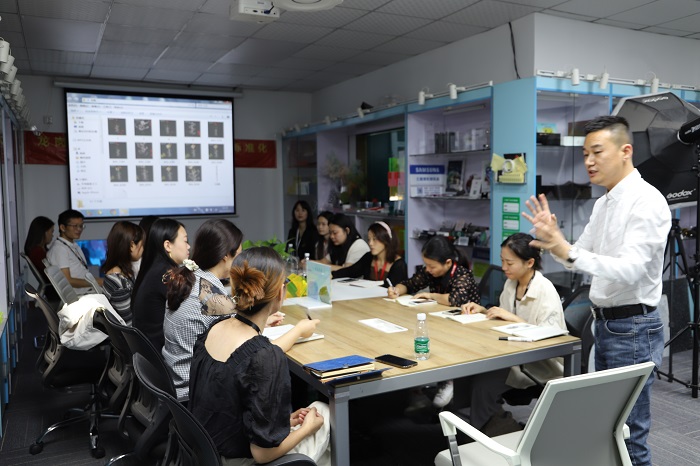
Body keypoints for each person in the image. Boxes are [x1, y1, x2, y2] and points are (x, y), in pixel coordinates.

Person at [523, 115, 670, 466]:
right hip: (605, 325)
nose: (589, 161)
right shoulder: (604, 203)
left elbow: (631, 269)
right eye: (585, 153)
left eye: (597, 152)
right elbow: (578, 257)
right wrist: (555, 240)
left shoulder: (647, 201)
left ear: (625, 151)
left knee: (629, 434)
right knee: (606, 430)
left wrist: (566, 249)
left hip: (633, 329)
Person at [188, 247, 329, 466]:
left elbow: (227, 402)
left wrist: (282, 422)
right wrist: (307, 429)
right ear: (280, 293)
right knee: (324, 413)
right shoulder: (264, 357)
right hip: (238, 461)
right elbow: (263, 455)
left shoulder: (214, 328)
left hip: (203, 453)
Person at [163, 219, 284, 398]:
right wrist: (299, 330)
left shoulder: (191, 278)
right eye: (239, 257)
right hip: (193, 393)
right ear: (226, 256)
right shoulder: (211, 297)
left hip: (174, 382)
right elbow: (252, 351)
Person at [461, 233, 566, 433]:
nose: (503, 267)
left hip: (538, 364)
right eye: (502, 261)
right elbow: (504, 317)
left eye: (509, 263)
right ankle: (490, 426)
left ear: (530, 263)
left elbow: (552, 339)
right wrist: (483, 310)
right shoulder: (511, 283)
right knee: (473, 374)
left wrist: (513, 318)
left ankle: (492, 433)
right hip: (512, 354)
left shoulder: (545, 290)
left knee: (483, 384)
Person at [387, 235, 479, 408]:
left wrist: (430, 295)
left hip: (466, 327)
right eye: (426, 265)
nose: (428, 270)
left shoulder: (462, 274)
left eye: (432, 266)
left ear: (448, 263)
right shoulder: (430, 272)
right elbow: (410, 283)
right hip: (442, 321)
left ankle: (451, 379)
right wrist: (397, 290)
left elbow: (455, 299)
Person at [131, 218, 190, 351]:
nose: (188, 246)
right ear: (168, 245)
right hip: (162, 352)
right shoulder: (166, 275)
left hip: (148, 350)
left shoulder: (155, 269)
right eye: (185, 241)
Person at [332, 221, 408, 287]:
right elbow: (350, 271)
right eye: (369, 239)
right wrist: (332, 275)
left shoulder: (399, 264)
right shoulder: (368, 257)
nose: (370, 243)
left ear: (386, 240)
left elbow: (397, 288)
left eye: (375, 239)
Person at [100, 221, 145, 324]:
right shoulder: (117, 281)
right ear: (132, 245)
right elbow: (129, 324)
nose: (143, 249)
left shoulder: (123, 271)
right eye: (142, 245)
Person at [46, 209, 97, 294]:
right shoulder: (59, 249)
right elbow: (67, 280)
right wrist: (96, 282)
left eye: (81, 226)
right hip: (82, 294)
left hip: (89, 290)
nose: (79, 229)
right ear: (62, 227)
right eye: (75, 226)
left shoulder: (72, 245)